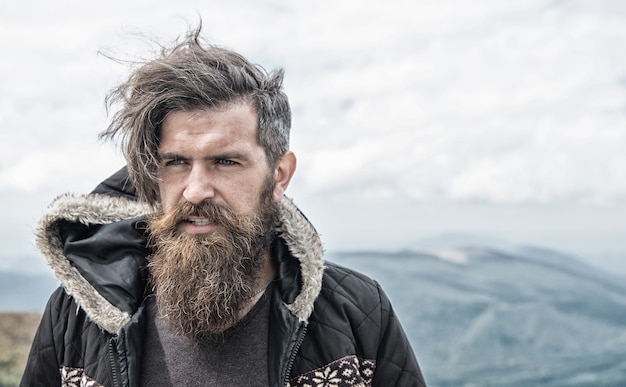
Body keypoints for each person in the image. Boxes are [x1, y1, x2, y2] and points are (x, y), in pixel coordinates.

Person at [20, 26, 426, 387]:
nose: (196, 191)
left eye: (226, 162)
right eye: (175, 162)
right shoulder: (77, 317)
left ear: (279, 176)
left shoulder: (356, 310)